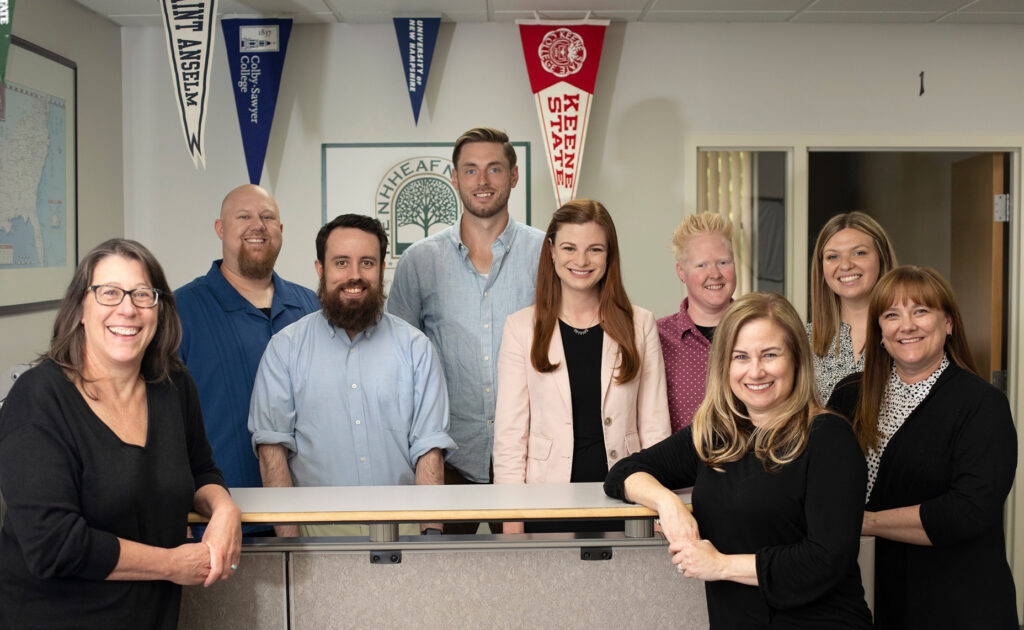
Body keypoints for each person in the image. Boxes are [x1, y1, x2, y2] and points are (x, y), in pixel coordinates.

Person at [0, 239, 242, 630]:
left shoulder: (173, 384)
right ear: (80, 307)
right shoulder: (38, 398)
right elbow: (53, 545)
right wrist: (171, 565)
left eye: (142, 294)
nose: (127, 308)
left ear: (158, 309)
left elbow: (201, 471)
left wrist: (226, 510)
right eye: (109, 292)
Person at [605, 293, 872, 629]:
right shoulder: (717, 435)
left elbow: (826, 559)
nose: (755, 371)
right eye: (740, 357)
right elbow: (624, 472)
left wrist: (720, 565)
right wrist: (667, 504)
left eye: (770, 355)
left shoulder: (829, 438)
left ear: (796, 360)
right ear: (724, 365)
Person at [827, 266, 1017, 629]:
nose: (907, 325)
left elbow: (968, 511)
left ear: (948, 323)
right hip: (858, 596)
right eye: (892, 315)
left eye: (921, 311)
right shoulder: (848, 396)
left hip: (957, 605)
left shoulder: (981, 405)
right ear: (880, 331)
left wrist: (862, 522)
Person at [249, 214, 456, 537]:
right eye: (341, 263)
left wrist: (429, 537)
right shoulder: (285, 349)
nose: (355, 276)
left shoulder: (417, 349)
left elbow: (429, 450)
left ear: (382, 268)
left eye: (367, 263)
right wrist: (288, 547)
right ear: (321, 270)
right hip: (315, 538)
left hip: (403, 531)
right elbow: (272, 450)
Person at [387, 127, 545, 534]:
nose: (483, 181)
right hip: (446, 458)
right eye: (471, 170)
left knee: (537, 583)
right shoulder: (419, 261)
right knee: (444, 587)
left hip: (532, 458)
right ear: (455, 179)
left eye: (494, 169)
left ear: (513, 175)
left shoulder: (547, 253)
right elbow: (398, 364)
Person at [493, 199, 671, 533]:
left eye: (595, 249)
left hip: (627, 498)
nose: (581, 260)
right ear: (552, 251)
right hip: (546, 502)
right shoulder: (520, 328)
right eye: (569, 248)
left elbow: (655, 428)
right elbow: (510, 435)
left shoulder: (640, 323)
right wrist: (511, 519)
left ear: (609, 254)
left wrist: (660, 508)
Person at [176, 185, 318, 536]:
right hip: (221, 519)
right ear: (220, 229)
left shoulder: (313, 308)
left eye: (267, 217)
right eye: (244, 217)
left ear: (281, 231)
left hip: (312, 516)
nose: (258, 225)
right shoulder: (179, 312)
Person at [807, 211, 897, 404]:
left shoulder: (909, 335)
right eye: (833, 257)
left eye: (859, 253)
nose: (845, 265)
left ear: (881, 258)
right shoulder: (803, 341)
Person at [658, 212, 737, 431]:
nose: (714, 274)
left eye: (723, 262)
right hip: (680, 464)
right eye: (701, 265)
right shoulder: (657, 339)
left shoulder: (758, 332)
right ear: (681, 271)